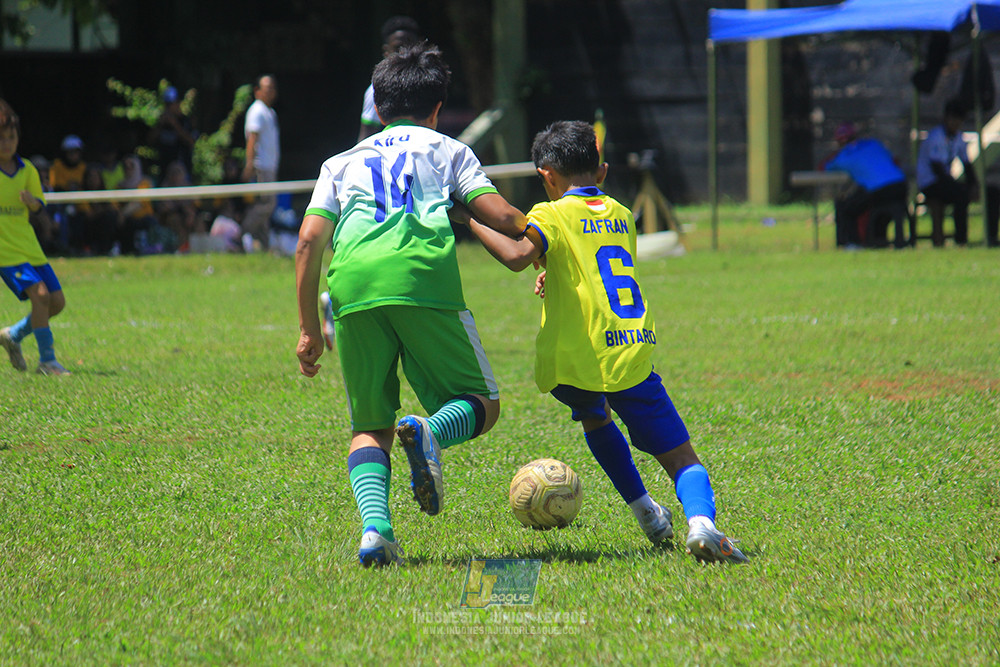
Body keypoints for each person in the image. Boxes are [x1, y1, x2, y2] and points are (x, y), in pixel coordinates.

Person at [461, 120, 748, 564]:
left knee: (596, 417)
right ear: (602, 171)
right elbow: (598, 268)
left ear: (546, 176)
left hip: (573, 362)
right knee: (682, 458)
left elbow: (519, 255)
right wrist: (551, 276)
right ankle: (702, 525)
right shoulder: (620, 213)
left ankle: (647, 514)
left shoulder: (548, 213)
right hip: (627, 351)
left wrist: (469, 221)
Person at [295, 43, 528, 567]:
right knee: (483, 402)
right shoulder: (448, 149)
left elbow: (309, 242)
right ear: (438, 110)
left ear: (376, 109)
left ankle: (376, 533)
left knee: (369, 426)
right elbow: (503, 215)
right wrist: (547, 233)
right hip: (423, 280)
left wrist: (310, 329)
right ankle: (431, 431)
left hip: (352, 288)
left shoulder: (340, 162)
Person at [0, 99, 71, 376]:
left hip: (29, 247)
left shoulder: (27, 169)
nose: (7, 143)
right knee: (40, 295)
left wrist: (31, 202)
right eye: (1, 138)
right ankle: (48, 361)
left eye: (11, 137)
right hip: (5, 251)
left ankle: (13, 335)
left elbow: (40, 205)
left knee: (56, 302)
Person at [821, 122, 909, 249]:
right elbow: (894, 160)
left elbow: (825, 167)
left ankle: (852, 244)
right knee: (881, 209)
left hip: (880, 190)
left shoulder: (844, 156)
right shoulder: (874, 143)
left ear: (839, 142)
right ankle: (881, 241)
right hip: (901, 186)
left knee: (845, 207)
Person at [917, 99, 976, 247]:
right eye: (953, 119)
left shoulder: (958, 137)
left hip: (944, 181)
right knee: (960, 195)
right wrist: (959, 187)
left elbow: (967, 165)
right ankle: (961, 239)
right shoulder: (936, 137)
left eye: (959, 120)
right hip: (930, 183)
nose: (956, 123)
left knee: (976, 193)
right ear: (946, 118)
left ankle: (984, 238)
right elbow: (937, 170)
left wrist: (974, 185)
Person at [358, 16, 422, 142]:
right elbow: (366, 138)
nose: (405, 54)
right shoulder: (377, 90)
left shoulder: (431, 84)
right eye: (398, 48)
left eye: (410, 47)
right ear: (386, 51)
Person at [242, 74, 280, 251]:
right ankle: (241, 233)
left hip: (269, 166)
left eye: (272, 88)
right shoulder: (256, 110)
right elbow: (252, 139)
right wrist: (249, 165)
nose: (270, 92)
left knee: (264, 206)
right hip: (261, 167)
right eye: (266, 88)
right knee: (267, 205)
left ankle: (263, 246)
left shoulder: (269, 112)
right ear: (257, 91)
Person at [148, 86, 196, 178]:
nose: (168, 107)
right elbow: (150, 140)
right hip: (165, 170)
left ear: (178, 103)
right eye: (166, 105)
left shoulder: (186, 121)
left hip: (183, 170)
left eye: (171, 104)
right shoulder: (161, 122)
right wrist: (160, 125)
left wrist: (175, 125)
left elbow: (191, 141)